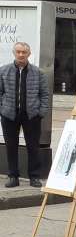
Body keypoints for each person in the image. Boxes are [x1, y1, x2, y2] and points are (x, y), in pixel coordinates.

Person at [0, 42, 50, 188]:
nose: (21, 54)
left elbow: (44, 94)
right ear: (14, 53)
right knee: (11, 146)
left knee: (33, 147)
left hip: (32, 115)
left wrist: (41, 112)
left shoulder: (38, 73)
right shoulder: (3, 71)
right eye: (18, 52)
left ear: (29, 54)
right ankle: (13, 176)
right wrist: (2, 110)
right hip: (9, 115)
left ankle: (34, 177)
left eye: (24, 52)